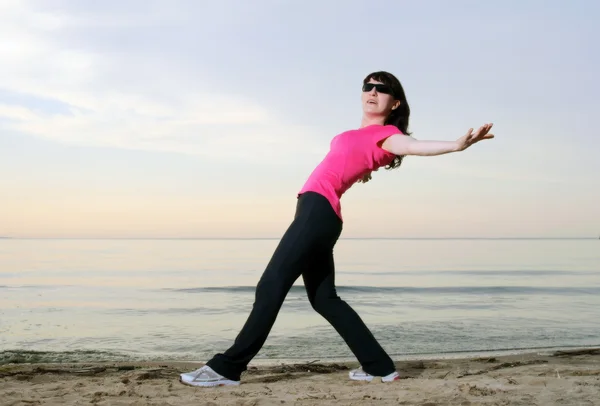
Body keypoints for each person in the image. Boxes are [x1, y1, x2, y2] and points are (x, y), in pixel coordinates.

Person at [179, 71, 494, 387]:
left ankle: (227, 368)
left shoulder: (388, 135)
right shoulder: (361, 135)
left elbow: (414, 146)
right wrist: (363, 168)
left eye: (381, 89)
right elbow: (352, 161)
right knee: (324, 299)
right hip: (318, 214)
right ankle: (378, 366)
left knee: (271, 285)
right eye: (367, 86)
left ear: (394, 102)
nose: (372, 91)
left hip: (317, 213)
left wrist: (456, 145)